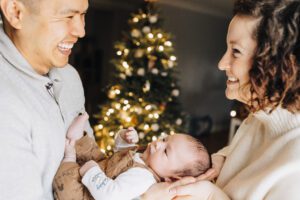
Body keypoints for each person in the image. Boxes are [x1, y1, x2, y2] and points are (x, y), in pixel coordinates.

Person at [141, 0, 300, 199]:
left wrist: (211, 196)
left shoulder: (295, 168)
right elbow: (240, 162)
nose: (221, 64)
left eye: (236, 52)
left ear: (279, 65)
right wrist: (220, 159)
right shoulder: (258, 119)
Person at [0, 0, 92, 199]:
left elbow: (92, 164)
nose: (81, 31)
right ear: (15, 12)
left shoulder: (69, 77)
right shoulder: (4, 100)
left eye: (83, 15)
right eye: (68, 16)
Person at [53, 113, 211, 200]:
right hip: (104, 166)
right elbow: (119, 152)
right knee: (94, 151)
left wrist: (91, 171)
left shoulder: (143, 179)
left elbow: (110, 195)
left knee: (68, 187)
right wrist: (125, 139)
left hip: (90, 194)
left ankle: (69, 160)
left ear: (171, 179)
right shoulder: (146, 158)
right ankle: (78, 136)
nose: (157, 144)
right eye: (164, 140)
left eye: (165, 151)